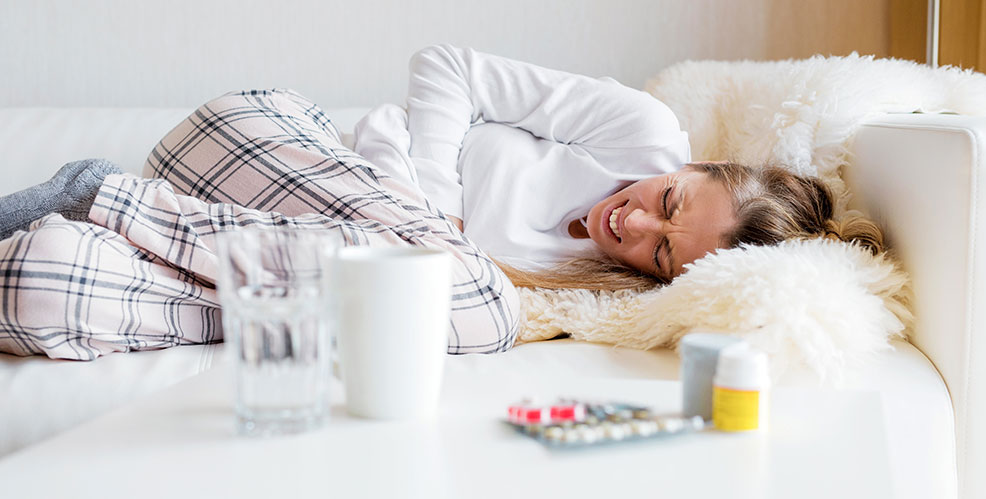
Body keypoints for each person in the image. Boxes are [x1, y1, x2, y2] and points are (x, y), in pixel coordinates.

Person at [0, 45, 882, 360]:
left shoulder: (595, 296)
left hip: (248, 245)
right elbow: (447, 65)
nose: (634, 223)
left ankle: (77, 235)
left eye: (658, 252)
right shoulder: (640, 128)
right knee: (462, 289)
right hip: (263, 148)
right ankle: (102, 195)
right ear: (700, 163)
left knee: (466, 303)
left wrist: (435, 259)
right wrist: (434, 209)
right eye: (667, 201)